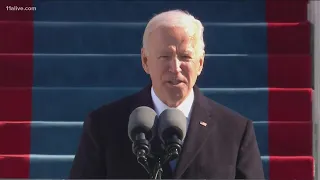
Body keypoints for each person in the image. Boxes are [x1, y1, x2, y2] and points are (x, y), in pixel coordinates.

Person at [69, 9, 265, 179]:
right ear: (145, 61)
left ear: (201, 63)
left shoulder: (235, 131)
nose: (175, 67)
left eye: (185, 57)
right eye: (165, 56)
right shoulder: (104, 125)